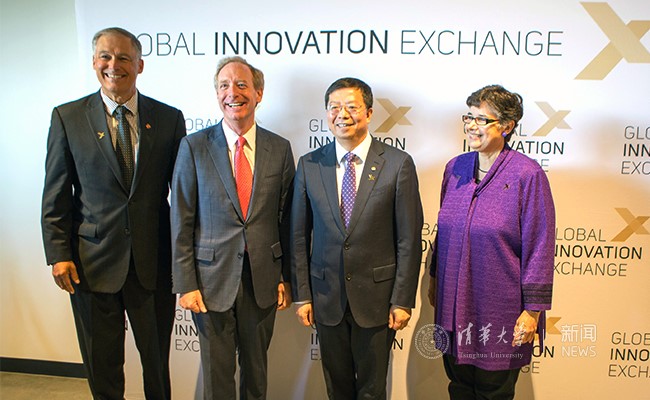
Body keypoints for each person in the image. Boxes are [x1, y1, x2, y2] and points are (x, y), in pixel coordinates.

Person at [41, 27, 186, 399]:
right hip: (91, 265)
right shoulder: (68, 117)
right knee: (102, 367)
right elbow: (56, 194)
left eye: (123, 58)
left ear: (139, 65)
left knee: (157, 366)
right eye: (105, 56)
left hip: (153, 265)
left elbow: (184, 196)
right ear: (94, 62)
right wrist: (58, 254)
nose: (113, 65)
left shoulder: (169, 119)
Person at [291, 77, 423, 399]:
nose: (342, 114)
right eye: (334, 107)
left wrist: (402, 300)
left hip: (378, 300)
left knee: (372, 390)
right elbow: (298, 236)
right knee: (336, 389)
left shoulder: (397, 164)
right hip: (326, 298)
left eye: (351, 107)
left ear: (369, 112)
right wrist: (303, 295)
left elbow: (408, 239)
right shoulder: (309, 165)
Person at [171, 56, 295, 400]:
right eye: (224, 85)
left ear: (258, 93)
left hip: (262, 280)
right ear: (217, 94)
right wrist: (186, 283)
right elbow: (181, 219)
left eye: (241, 85)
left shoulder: (280, 148)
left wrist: (285, 276)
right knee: (217, 375)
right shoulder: (193, 147)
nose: (232, 93)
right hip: (209, 282)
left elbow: (286, 219)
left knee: (256, 374)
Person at [427, 84, 555, 399]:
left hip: (500, 310)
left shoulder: (527, 175)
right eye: (469, 117)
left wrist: (533, 310)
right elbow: (444, 231)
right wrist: (433, 279)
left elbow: (540, 244)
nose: (472, 125)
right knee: (458, 386)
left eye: (482, 119)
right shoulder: (455, 168)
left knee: (492, 391)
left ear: (507, 126)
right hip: (452, 303)